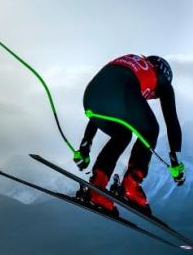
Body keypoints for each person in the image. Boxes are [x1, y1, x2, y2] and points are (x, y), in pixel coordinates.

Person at [76, 54, 184, 215]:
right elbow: (172, 121)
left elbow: (101, 109)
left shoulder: (136, 64)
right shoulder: (161, 78)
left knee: (122, 134)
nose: (152, 97)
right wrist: (175, 163)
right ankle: (131, 187)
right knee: (150, 129)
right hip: (123, 89)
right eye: (155, 96)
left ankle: (97, 189)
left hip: (90, 98)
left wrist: (85, 147)